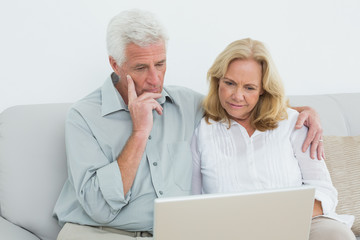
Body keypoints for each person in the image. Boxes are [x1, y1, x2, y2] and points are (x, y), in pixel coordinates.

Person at [53, 10, 325, 240]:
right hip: (99, 232)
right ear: (115, 64)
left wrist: (300, 112)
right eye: (140, 68)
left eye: (160, 64)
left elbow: (238, 104)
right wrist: (139, 132)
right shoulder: (83, 117)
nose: (154, 79)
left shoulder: (186, 104)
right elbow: (98, 207)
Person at [191, 38, 356, 240]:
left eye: (249, 88)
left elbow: (324, 191)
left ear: (263, 90)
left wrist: (282, 220)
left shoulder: (293, 123)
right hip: (231, 230)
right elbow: (193, 199)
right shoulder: (202, 131)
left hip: (299, 223)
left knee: (336, 235)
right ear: (218, 81)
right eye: (229, 83)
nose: (237, 96)